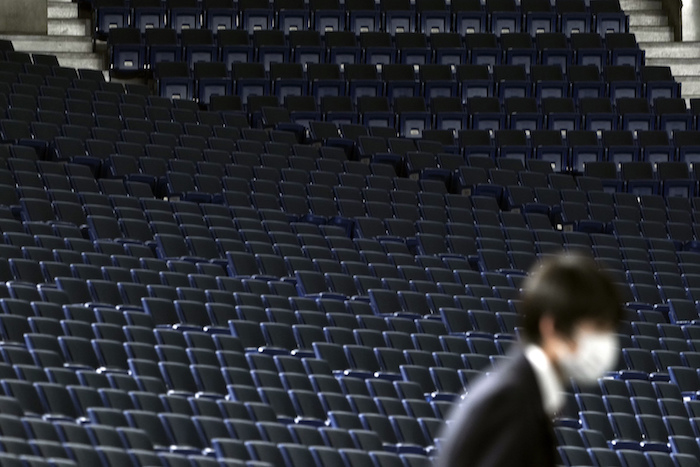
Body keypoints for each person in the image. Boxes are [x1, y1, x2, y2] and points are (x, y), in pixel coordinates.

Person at [434, 253, 624, 467]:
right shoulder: (510, 400)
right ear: (551, 327)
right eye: (597, 328)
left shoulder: (526, 395)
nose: (605, 342)